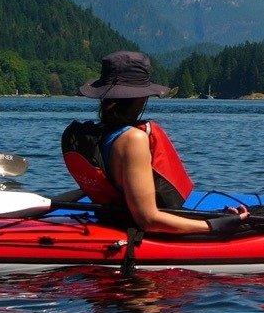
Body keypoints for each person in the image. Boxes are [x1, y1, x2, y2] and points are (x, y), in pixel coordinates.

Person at [62, 51, 245, 234]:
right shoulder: (133, 140)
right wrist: (214, 225)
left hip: (113, 220)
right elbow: (147, 219)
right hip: (139, 230)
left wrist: (213, 215)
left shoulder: (91, 136)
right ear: (142, 98)